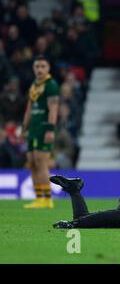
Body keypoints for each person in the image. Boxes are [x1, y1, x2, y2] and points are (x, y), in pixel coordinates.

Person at [21, 56, 59, 209]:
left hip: (44, 128)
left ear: (48, 68)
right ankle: (38, 198)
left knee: (41, 163)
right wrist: (24, 127)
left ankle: (48, 199)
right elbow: (29, 108)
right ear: (33, 68)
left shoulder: (51, 85)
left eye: (43, 66)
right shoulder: (34, 85)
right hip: (33, 129)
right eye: (37, 66)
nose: (39, 69)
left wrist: (50, 129)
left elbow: (54, 108)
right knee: (31, 163)